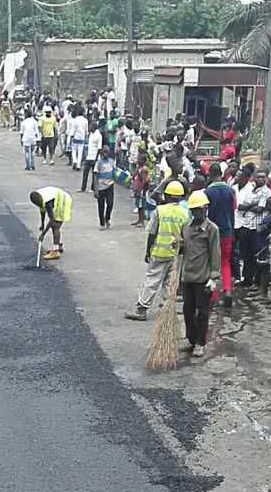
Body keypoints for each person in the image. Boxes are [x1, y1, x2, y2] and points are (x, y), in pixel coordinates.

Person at [125, 181, 188, 320]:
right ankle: (166, 310)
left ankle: (141, 309)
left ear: (167, 195)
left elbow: (152, 233)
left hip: (159, 252)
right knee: (169, 282)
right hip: (175, 253)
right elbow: (186, 235)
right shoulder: (185, 213)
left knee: (152, 281)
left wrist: (148, 251)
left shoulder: (160, 211)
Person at [179, 191, 221, 358]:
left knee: (202, 312)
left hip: (202, 279)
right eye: (194, 210)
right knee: (187, 310)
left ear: (206, 209)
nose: (197, 213)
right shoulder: (186, 227)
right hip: (187, 276)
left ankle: (200, 343)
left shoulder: (212, 229)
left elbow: (215, 254)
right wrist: (179, 245)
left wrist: (213, 278)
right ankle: (190, 339)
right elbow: (185, 249)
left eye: (200, 210)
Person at [206, 171, 238, 307]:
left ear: (211, 176)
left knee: (211, 264)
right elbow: (233, 211)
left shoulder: (207, 192)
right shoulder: (230, 191)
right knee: (225, 262)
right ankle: (228, 290)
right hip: (227, 231)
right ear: (222, 175)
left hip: (212, 232)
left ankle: (213, 296)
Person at [30, 185, 72, 261]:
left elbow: (52, 219)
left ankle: (55, 252)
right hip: (56, 198)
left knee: (55, 225)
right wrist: (42, 223)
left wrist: (43, 234)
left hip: (63, 200)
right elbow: (42, 210)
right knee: (54, 225)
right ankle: (58, 246)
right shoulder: (39, 198)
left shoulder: (47, 202)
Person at [93, 147, 116, 229]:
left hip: (110, 185)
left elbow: (115, 172)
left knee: (110, 203)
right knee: (101, 205)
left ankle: (107, 218)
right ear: (101, 153)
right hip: (101, 187)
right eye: (104, 152)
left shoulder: (112, 162)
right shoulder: (98, 163)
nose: (106, 154)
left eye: (107, 152)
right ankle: (102, 223)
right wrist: (95, 189)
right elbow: (95, 176)